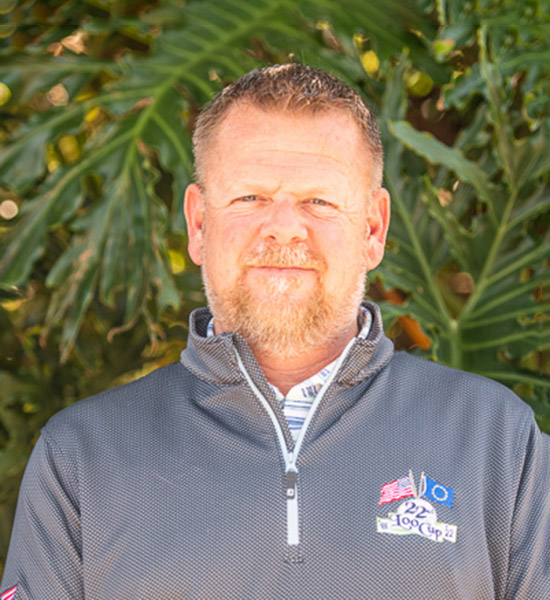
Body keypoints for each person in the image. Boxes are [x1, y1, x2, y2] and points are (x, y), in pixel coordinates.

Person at [2, 64, 549, 600]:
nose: (285, 228)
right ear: (198, 223)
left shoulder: (497, 440)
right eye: (250, 197)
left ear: (373, 229)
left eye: (319, 201)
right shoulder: (81, 456)